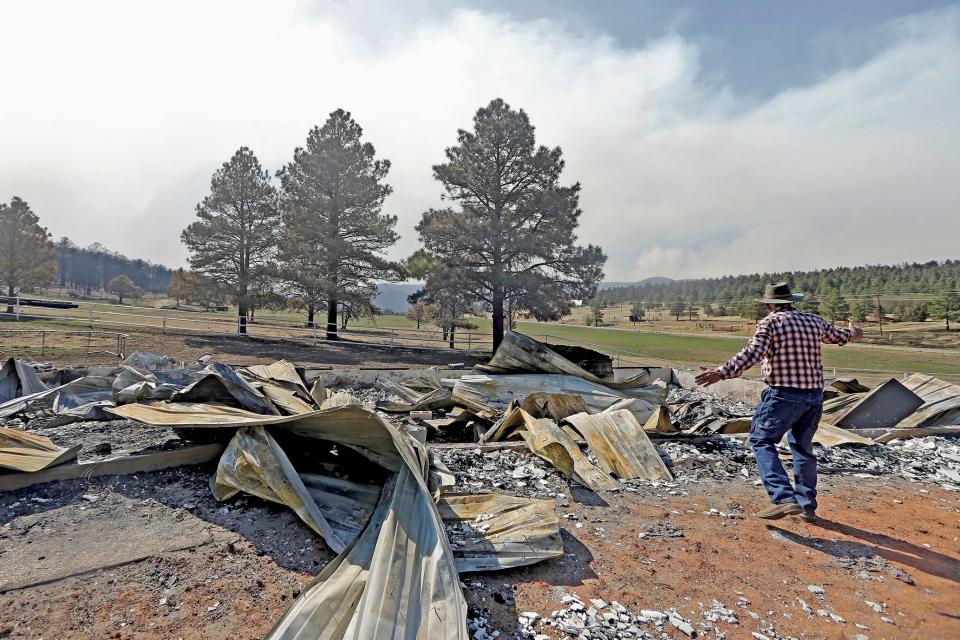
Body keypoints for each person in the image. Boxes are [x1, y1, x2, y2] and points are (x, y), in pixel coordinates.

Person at [694, 282, 863, 521]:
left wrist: (721, 372)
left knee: (761, 440)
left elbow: (752, 354)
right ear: (791, 300)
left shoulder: (771, 322)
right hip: (814, 395)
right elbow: (839, 335)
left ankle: (783, 498)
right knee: (802, 448)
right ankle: (807, 505)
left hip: (783, 394)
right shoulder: (813, 320)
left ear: (770, 304)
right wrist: (854, 333)